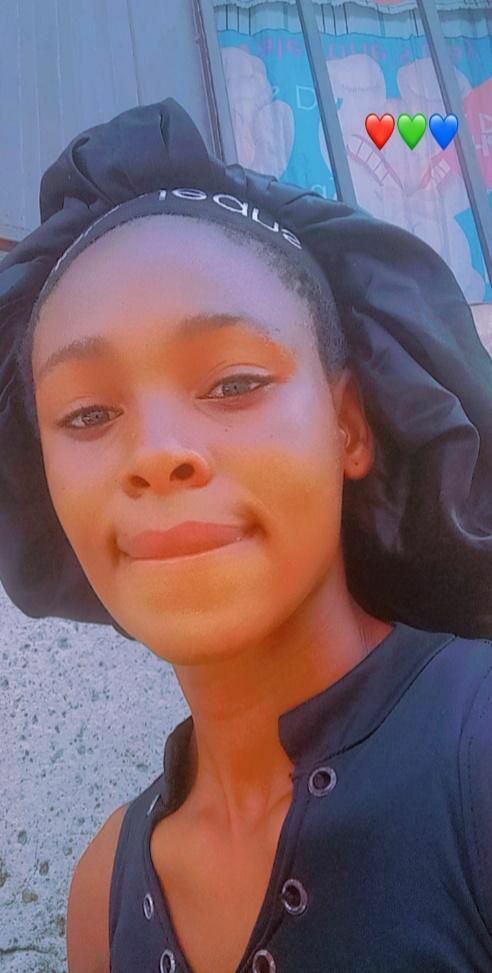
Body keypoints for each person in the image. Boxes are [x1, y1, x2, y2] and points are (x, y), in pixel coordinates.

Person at [1, 99, 491, 973]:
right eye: (87, 413)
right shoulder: (101, 893)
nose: (155, 453)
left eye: (232, 383)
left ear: (348, 425)